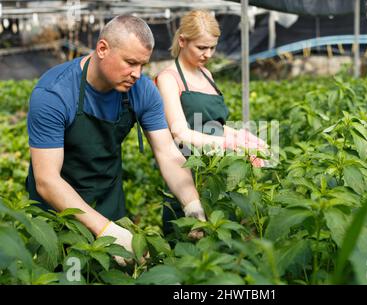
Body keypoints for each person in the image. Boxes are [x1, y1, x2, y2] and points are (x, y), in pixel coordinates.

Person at [25, 15, 206, 266]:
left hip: (108, 201)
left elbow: (167, 152)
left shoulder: (142, 90)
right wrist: (107, 232)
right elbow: (47, 180)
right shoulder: (54, 94)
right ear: (102, 49)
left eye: (143, 65)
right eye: (130, 62)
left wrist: (192, 204)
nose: (137, 74)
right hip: (56, 215)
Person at [155, 10, 267, 235]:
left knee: (222, 241)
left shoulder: (206, 74)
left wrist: (242, 137)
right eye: (201, 48)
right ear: (182, 41)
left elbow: (214, 124)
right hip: (188, 174)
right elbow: (180, 133)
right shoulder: (168, 78)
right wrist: (230, 146)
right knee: (187, 250)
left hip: (217, 175)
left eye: (212, 47)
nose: (208, 54)